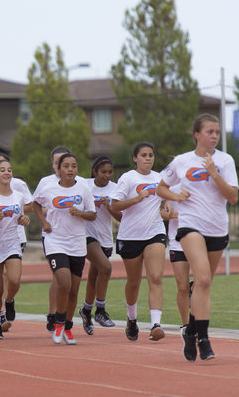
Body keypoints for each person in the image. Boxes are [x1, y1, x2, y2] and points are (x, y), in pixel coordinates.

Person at [157, 114, 237, 361]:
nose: (214, 136)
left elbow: (233, 198)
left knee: (203, 284)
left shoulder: (225, 160)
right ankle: (204, 340)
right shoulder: (182, 161)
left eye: (217, 132)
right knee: (200, 277)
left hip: (217, 229)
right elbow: (160, 187)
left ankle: (191, 331)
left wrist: (214, 172)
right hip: (190, 226)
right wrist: (174, 196)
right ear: (197, 135)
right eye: (209, 132)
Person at [110, 142, 173, 342]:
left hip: (154, 233)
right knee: (133, 282)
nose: (148, 158)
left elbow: (165, 202)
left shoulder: (160, 179)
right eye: (144, 155)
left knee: (155, 277)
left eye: (151, 155)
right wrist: (137, 199)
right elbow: (114, 206)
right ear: (135, 158)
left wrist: (166, 206)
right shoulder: (128, 178)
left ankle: (155, 325)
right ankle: (132, 318)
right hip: (130, 236)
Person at [33, 153, 96, 345]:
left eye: (74, 166)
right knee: (64, 283)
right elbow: (36, 203)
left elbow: (92, 215)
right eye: (66, 166)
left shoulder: (83, 188)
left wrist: (81, 213)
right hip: (55, 241)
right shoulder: (49, 188)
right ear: (58, 169)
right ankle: (59, 323)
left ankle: (68, 327)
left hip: (77, 243)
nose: (70, 169)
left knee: (74, 289)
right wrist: (43, 222)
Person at [0, 159, 31, 339]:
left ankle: (10, 300)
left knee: (14, 281)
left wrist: (24, 219)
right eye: (2, 170)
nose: (7, 172)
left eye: (9, 170)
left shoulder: (18, 196)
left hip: (12, 243)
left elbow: (20, 217)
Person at [78, 156, 121, 335]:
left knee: (95, 277)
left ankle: (86, 311)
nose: (107, 175)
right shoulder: (85, 185)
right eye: (103, 172)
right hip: (86, 234)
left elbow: (121, 218)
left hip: (105, 237)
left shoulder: (116, 188)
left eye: (110, 172)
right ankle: (100, 311)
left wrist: (110, 207)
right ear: (94, 171)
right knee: (106, 268)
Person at [32, 146, 72, 333]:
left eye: (62, 161)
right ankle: (53, 314)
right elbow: (36, 204)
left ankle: (64, 316)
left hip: (73, 237)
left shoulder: (76, 182)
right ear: (52, 163)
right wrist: (46, 217)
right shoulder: (45, 182)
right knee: (58, 278)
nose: (58, 165)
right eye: (56, 162)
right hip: (52, 235)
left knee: (69, 280)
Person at [165, 184, 191, 328]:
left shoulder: (202, 185)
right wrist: (167, 204)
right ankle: (186, 325)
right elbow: (161, 212)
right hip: (177, 242)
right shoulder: (171, 189)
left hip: (199, 242)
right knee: (182, 287)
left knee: (203, 283)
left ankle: (192, 287)